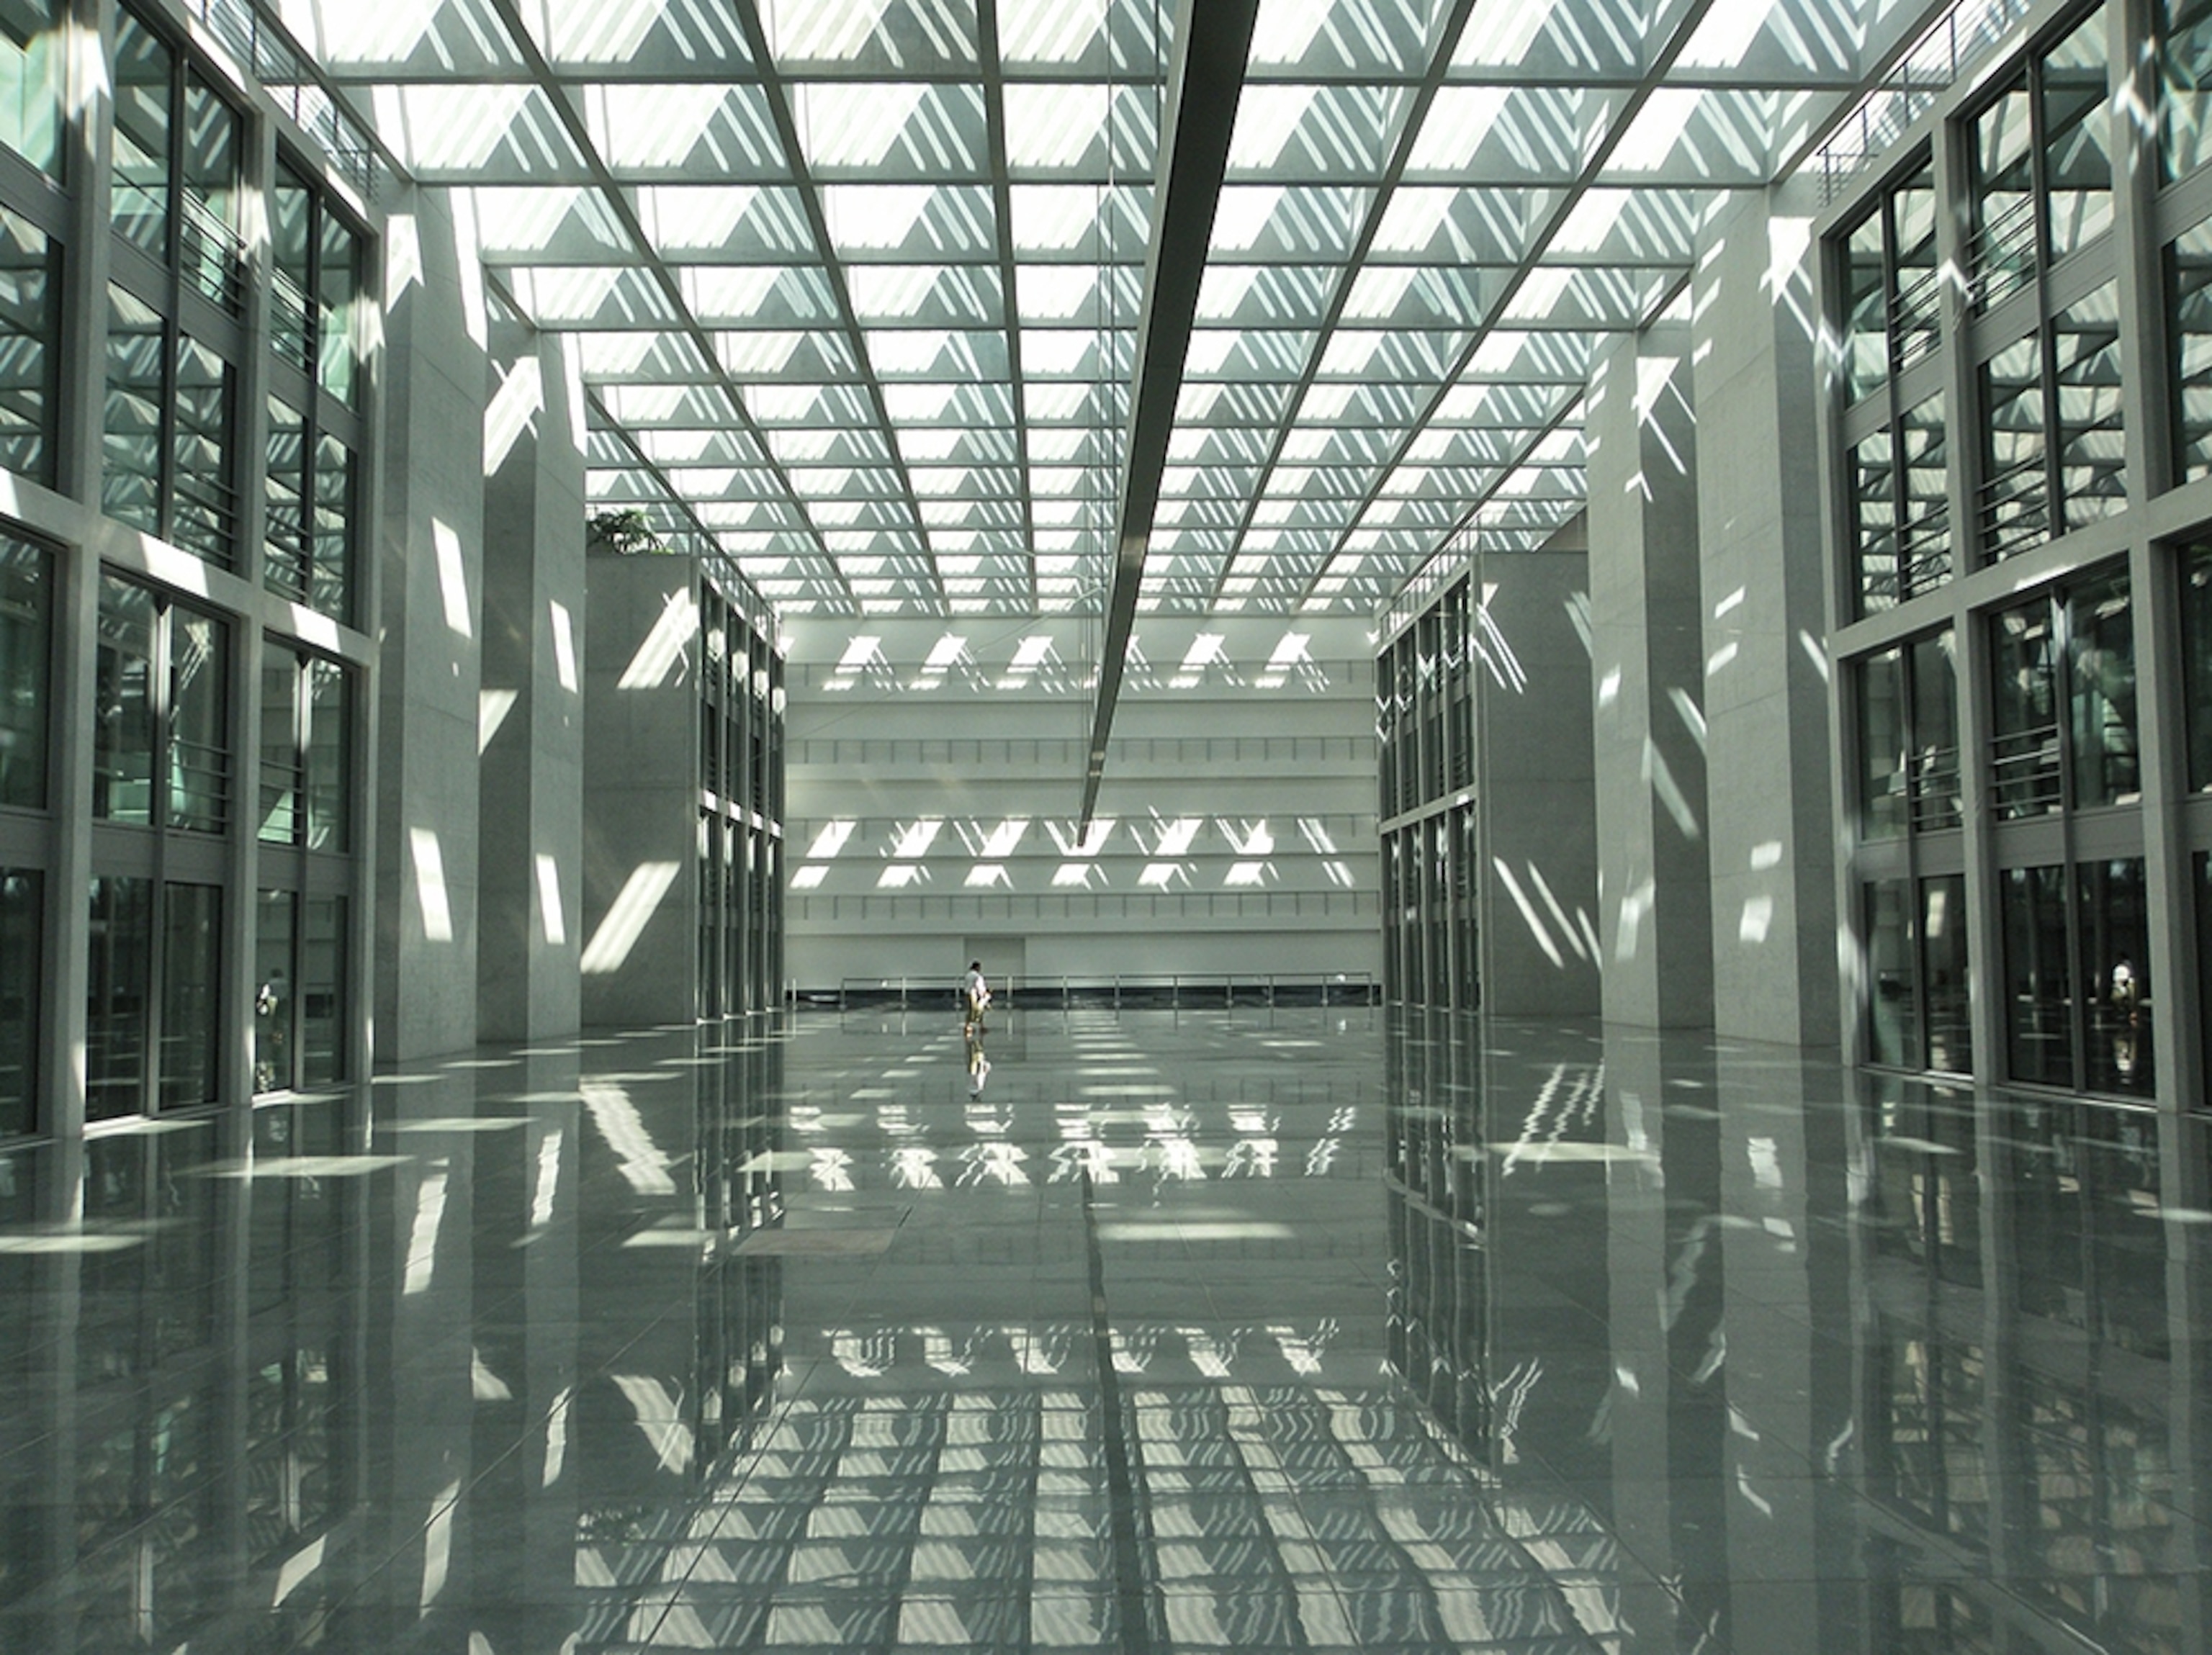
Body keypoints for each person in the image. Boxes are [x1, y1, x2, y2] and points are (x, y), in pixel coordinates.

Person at [963, 960, 990, 1034]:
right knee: (977, 1011)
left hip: (967, 993)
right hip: (974, 994)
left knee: (970, 1010)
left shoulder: (968, 975)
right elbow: (979, 986)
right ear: (977, 967)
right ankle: (977, 1026)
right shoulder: (977, 976)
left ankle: (968, 1026)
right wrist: (983, 994)